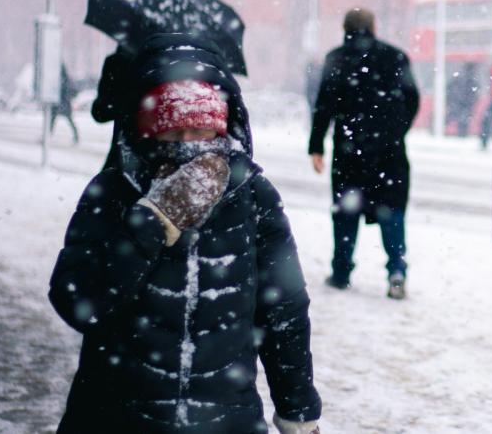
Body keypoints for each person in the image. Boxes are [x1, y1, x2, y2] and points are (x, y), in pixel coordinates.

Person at [47, 33, 322, 433]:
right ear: (147, 131)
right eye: (174, 134)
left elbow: (285, 312)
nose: (189, 148)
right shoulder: (114, 192)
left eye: (202, 132)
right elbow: (76, 302)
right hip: (116, 417)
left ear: (223, 127)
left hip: (227, 420)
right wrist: (153, 222)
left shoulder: (251, 195)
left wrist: (297, 409)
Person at [309, 8, 419, 299]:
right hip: (388, 152)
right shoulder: (395, 57)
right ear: (374, 26)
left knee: (346, 212)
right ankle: (396, 271)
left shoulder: (336, 59)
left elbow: (324, 105)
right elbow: (412, 98)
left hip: (349, 150)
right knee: (391, 211)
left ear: (344, 28)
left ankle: (342, 270)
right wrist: (396, 131)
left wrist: (316, 146)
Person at [92, 45, 135, 171]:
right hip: (161, 154)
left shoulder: (117, 62)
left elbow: (100, 112)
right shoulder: (167, 62)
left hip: (123, 151)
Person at [445, 63, 479, 136]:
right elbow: (474, 94)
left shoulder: (459, 78)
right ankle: (462, 134)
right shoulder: (471, 80)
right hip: (463, 103)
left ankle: (440, 128)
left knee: (454, 117)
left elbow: (450, 88)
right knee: (463, 120)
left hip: (458, 103)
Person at [49, 63, 79, 144]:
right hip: (63, 103)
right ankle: (76, 137)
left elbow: (71, 91)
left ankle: (48, 135)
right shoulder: (66, 79)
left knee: (54, 119)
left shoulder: (62, 80)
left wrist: (66, 97)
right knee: (67, 120)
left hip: (61, 103)